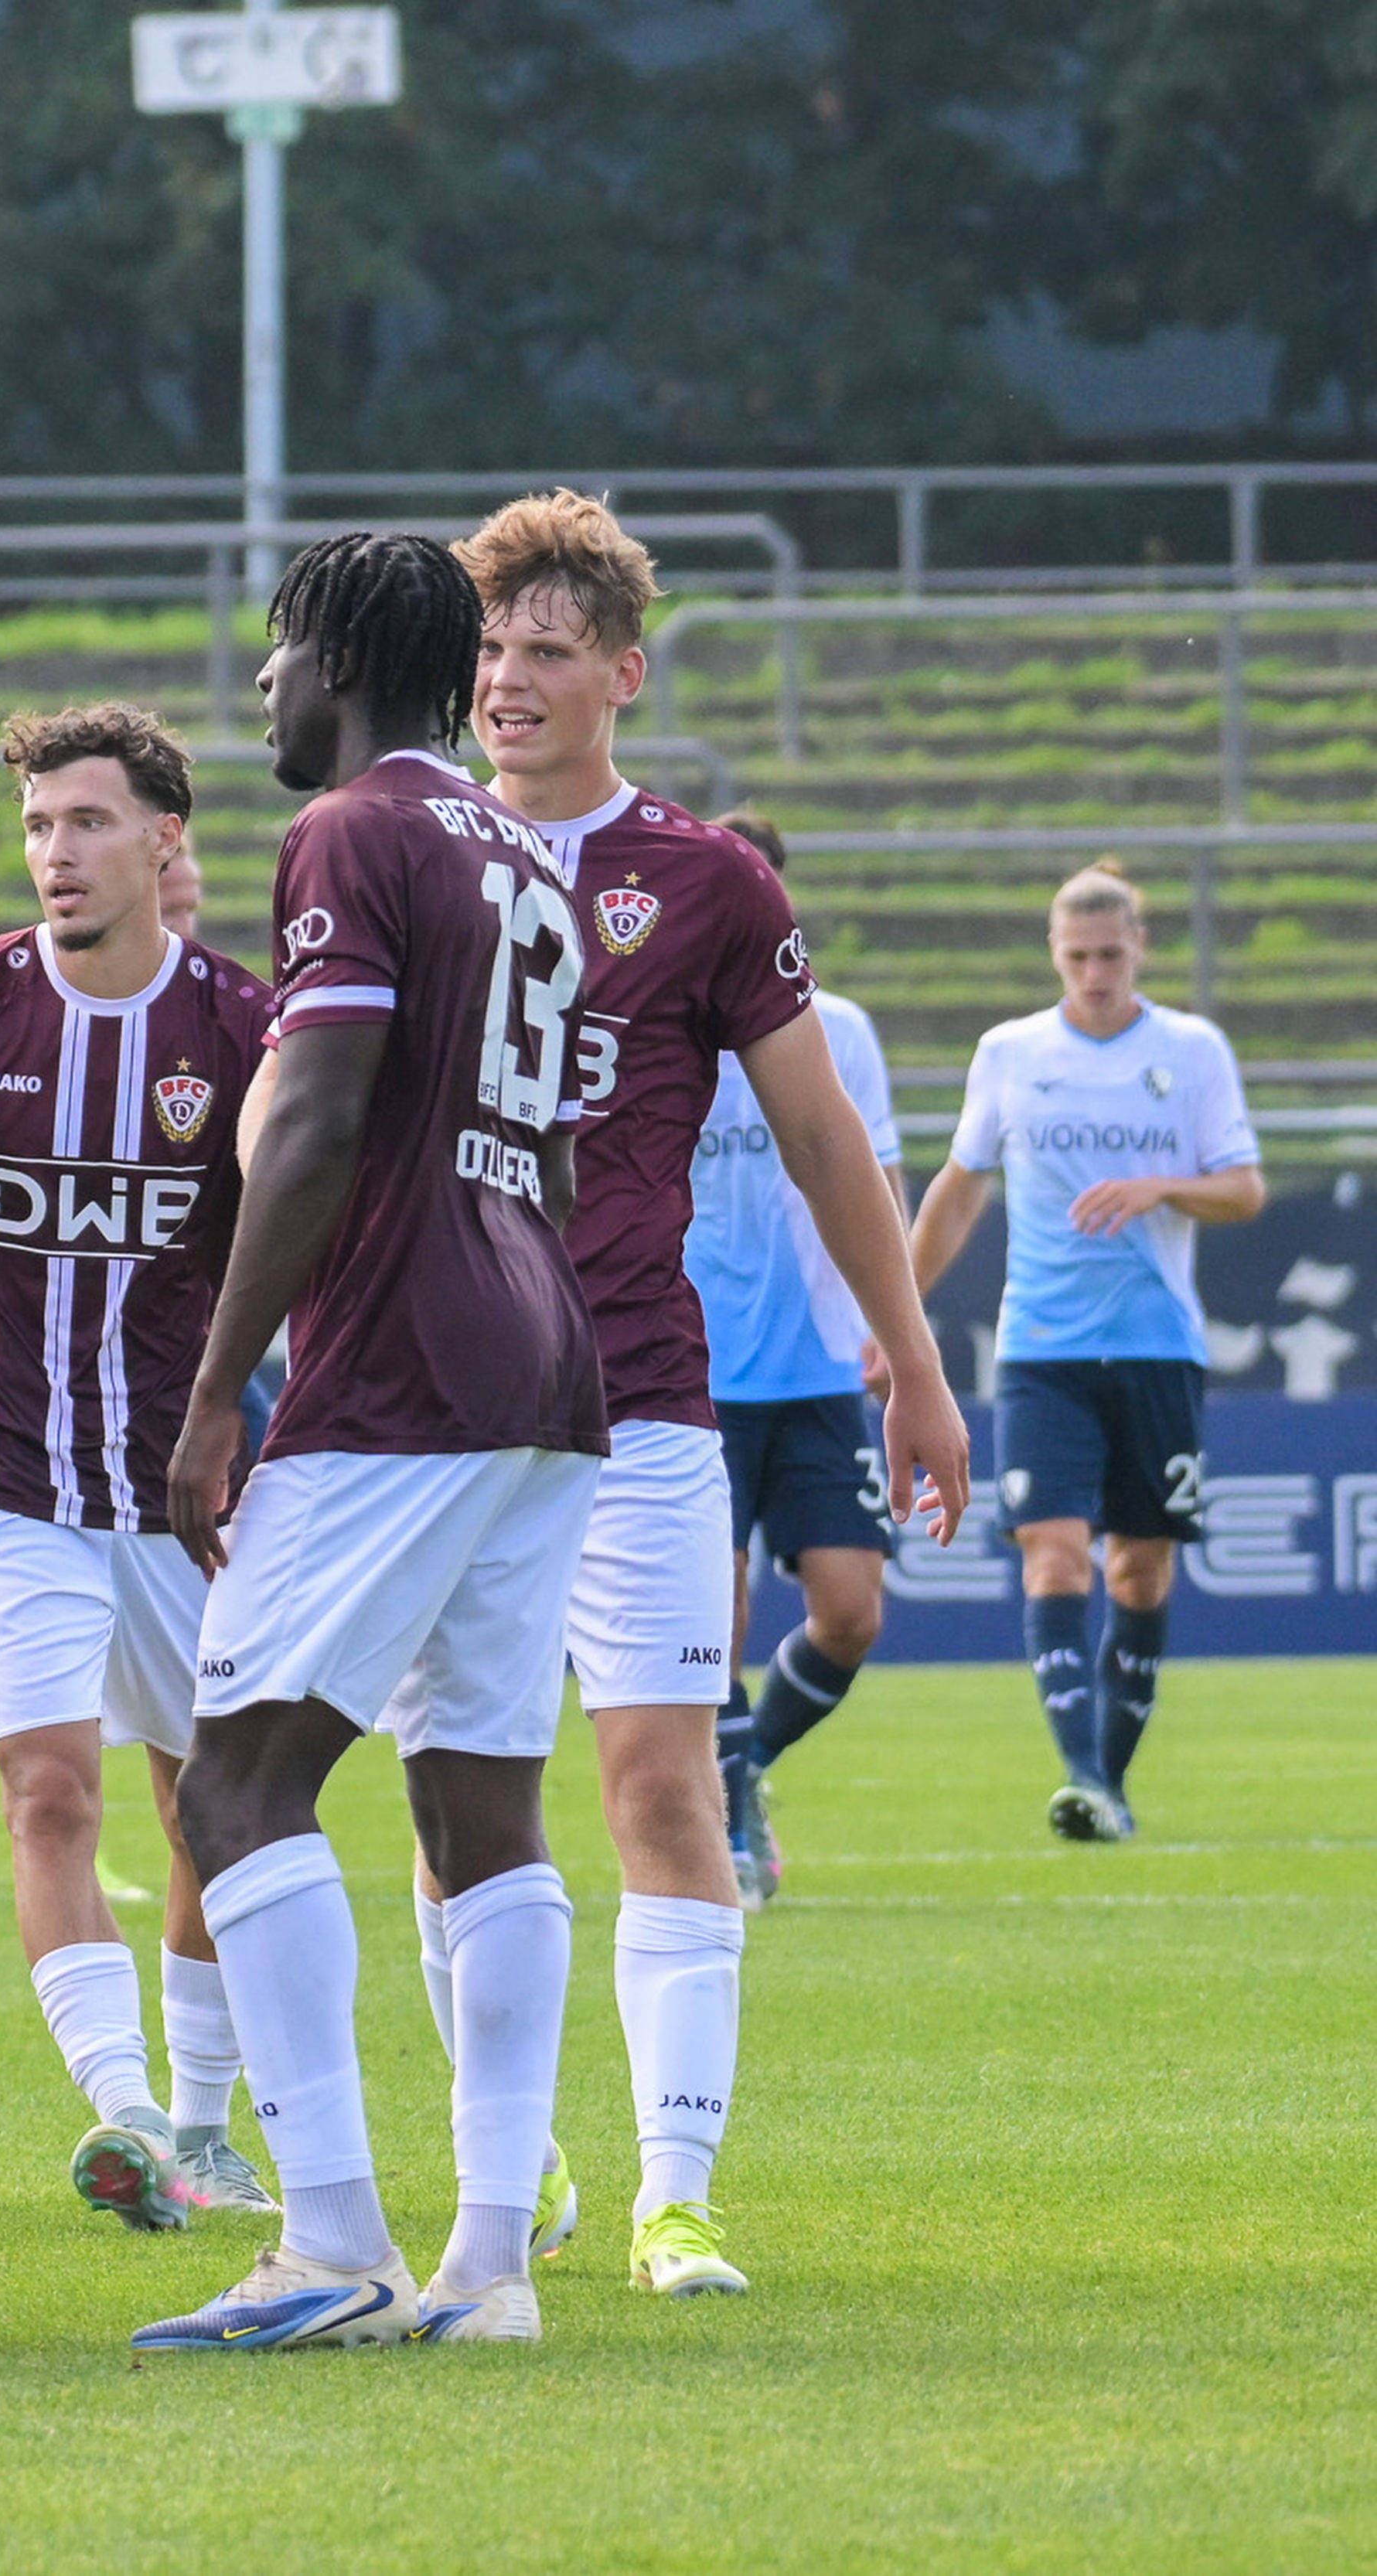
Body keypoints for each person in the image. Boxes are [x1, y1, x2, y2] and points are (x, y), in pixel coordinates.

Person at [448, 491, 968, 2301]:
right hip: (433, 1412)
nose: (507, 680)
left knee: (662, 1787)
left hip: (645, 1405)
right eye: (490, 649)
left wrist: (909, 1363)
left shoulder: (703, 881)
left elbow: (826, 1141)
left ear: (621, 673)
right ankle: (508, 2173)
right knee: (466, 1803)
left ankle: (678, 2198)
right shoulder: (401, 852)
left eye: (543, 650)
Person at [134, 531, 604, 2355]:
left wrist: (210, 1390)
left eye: (272, 652)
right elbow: (553, 1150)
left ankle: (325, 2238)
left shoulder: (351, 835)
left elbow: (317, 1118)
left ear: (333, 652)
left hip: (404, 1363)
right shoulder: (519, 852)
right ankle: (488, 2264)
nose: (260, 689)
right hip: (543, 1355)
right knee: (479, 1799)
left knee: (233, 1784)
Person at [0, 700, 284, 2244]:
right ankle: (131, 2115)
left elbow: (319, 1226)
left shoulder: (243, 1027)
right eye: (36, 826)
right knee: (47, 1789)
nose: (54, 853)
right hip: (2, 1476)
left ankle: (213, 2126)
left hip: (184, 1491)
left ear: (166, 840)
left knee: (213, 1798)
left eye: (85, 822)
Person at [911, 864, 1261, 1842]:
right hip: (1041, 1347)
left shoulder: (1189, 1050)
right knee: (1053, 1555)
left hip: (1155, 1345)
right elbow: (958, 1185)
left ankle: (1106, 1783)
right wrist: (895, 1308)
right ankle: (1079, 1775)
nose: (1094, 974)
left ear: (1139, 946)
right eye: (1076, 957)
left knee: (1137, 1572)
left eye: (1110, 955)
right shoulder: (1010, 1051)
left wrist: (1157, 1187)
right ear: (1052, 954)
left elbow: (1240, 1189)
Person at [689, 809, 908, 1906]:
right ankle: (729, 1820)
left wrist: (893, 1316)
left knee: (852, 1609)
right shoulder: (662, 1022)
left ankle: (743, 1769)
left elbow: (876, 1175)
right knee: (709, 1614)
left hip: (820, 1367)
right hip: (694, 1372)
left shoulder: (841, 1030)